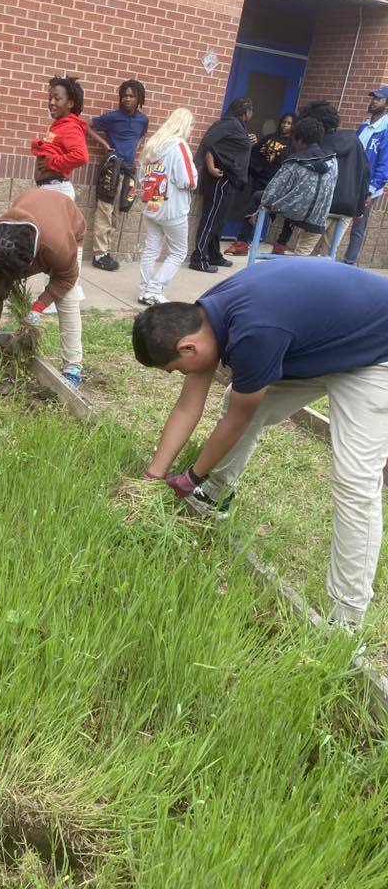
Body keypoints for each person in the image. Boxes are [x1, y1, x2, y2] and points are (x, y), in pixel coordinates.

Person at [132, 258, 388, 631]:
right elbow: (188, 406)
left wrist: (192, 475)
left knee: (355, 479)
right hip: (321, 342)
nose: (179, 374)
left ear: (187, 348)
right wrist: (152, 477)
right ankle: (215, 496)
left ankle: (347, 619)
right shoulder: (203, 318)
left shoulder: (253, 334)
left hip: (376, 350)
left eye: (175, 369)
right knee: (238, 397)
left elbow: (238, 419)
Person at [0, 188, 86, 387]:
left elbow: (67, 277)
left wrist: (39, 306)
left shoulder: (58, 247)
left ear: (29, 263)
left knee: (67, 297)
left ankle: (73, 367)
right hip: (36, 220)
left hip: (69, 224)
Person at [243, 117, 337, 249]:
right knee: (294, 201)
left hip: (295, 210)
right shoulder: (332, 160)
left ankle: (242, 242)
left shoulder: (294, 161)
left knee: (259, 196)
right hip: (318, 215)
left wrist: (258, 210)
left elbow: (274, 191)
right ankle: (281, 245)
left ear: (300, 140)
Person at [137, 107, 197, 305]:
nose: (192, 129)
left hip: (152, 204)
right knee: (178, 251)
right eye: (191, 125)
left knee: (151, 249)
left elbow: (141, 177)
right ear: (184, 125)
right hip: (173, 208)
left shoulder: (152, 145)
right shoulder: (180, 146)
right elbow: (188, 179)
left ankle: (145, 289)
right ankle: (154, 289)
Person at [293, 100, 369, 256]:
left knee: (303, 253)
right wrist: (359, 208)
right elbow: (364, 173)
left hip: (321, 206)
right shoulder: (354, 140)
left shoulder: (317, 145)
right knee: (328, 255)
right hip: (347, 207)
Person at [87, 79, 149, 272]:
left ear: (139, 98)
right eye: (125, 96)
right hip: (111, 169)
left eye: (132, 96)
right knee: (104, 211)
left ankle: (106, 251)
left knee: (116, 212)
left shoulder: (142, 120)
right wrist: (104, 144)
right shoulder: (112, 117)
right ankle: (99, 254)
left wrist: (134, 150)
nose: (127, 99)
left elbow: (141, 136)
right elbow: (87, 126)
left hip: (128, 170)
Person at [189, 97, 256, 273]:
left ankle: (213, 254)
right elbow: (209, 144)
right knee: (211, 219)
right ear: (246, 112)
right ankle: (198, 258)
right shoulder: (229, 124)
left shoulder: (237, 126)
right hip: (220, 179)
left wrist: (247, 141)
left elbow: (230, 147)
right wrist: (210, 166)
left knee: (219, 220)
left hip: (229, 180)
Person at [225, 112, 295, 255]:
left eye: (289, 123)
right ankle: (242, 242)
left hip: (279, 186)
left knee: (284, 215)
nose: (285, 125)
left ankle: (280, 245)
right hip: (260, 181)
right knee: (252, 213)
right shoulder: (269, 138)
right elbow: (254, 154)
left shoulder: (294, 145)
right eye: (284, 122)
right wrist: (256, 170)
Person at [342, 86, 388, 266]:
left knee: (358, 225)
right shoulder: (364, 126)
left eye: (378, 99)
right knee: (339, 219)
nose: (374, 101)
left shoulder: (385, 129)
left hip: (368, 187)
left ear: (386, 104)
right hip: (351, 182)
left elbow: (385, 164)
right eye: (373, 98)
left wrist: (371, 190)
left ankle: (349, 263)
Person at [30, 76, 88, 200]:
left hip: (57, 190)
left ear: (70, 103)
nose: (51, 103)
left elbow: (81, 156)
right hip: (49, 188)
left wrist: (51, 162)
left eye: (57, 99)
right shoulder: (59, 125)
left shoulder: (71, 127)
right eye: (50, 98)